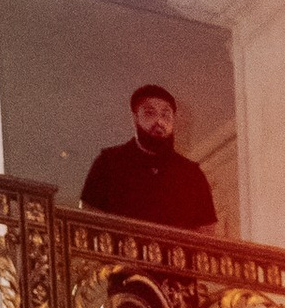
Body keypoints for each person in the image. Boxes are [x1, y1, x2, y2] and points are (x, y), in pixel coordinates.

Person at [78, 83, 220, 231]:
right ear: (135, 119)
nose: (159, 121)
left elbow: (207, 232)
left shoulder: (192, 175)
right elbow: (87, 220)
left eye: (165, 115)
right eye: (150, 113)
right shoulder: (108, 163)